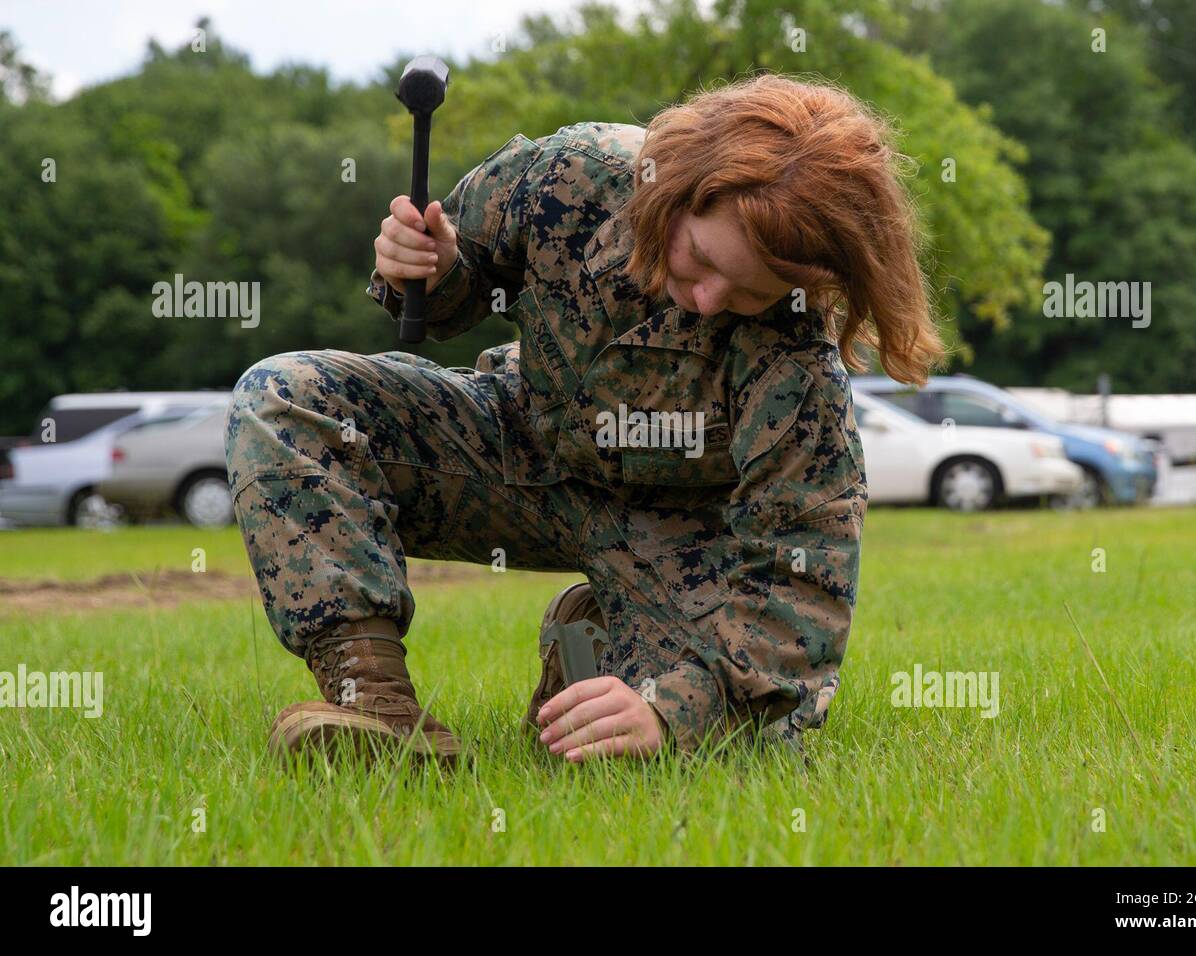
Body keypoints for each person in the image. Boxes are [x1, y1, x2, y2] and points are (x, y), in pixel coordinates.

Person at [225, 72, 946, 766]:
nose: (707, 299)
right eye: (700, 258)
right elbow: (454, 285)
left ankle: (591, 642)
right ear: (678, 187)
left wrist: (672, 710)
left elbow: (802, 572)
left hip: (676, 539)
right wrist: (427, 267)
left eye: (750, 291)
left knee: (730, 744)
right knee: (287, 397)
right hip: (514, 446)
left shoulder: (797, 354)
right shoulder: (570, 174)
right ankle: (377, 708)